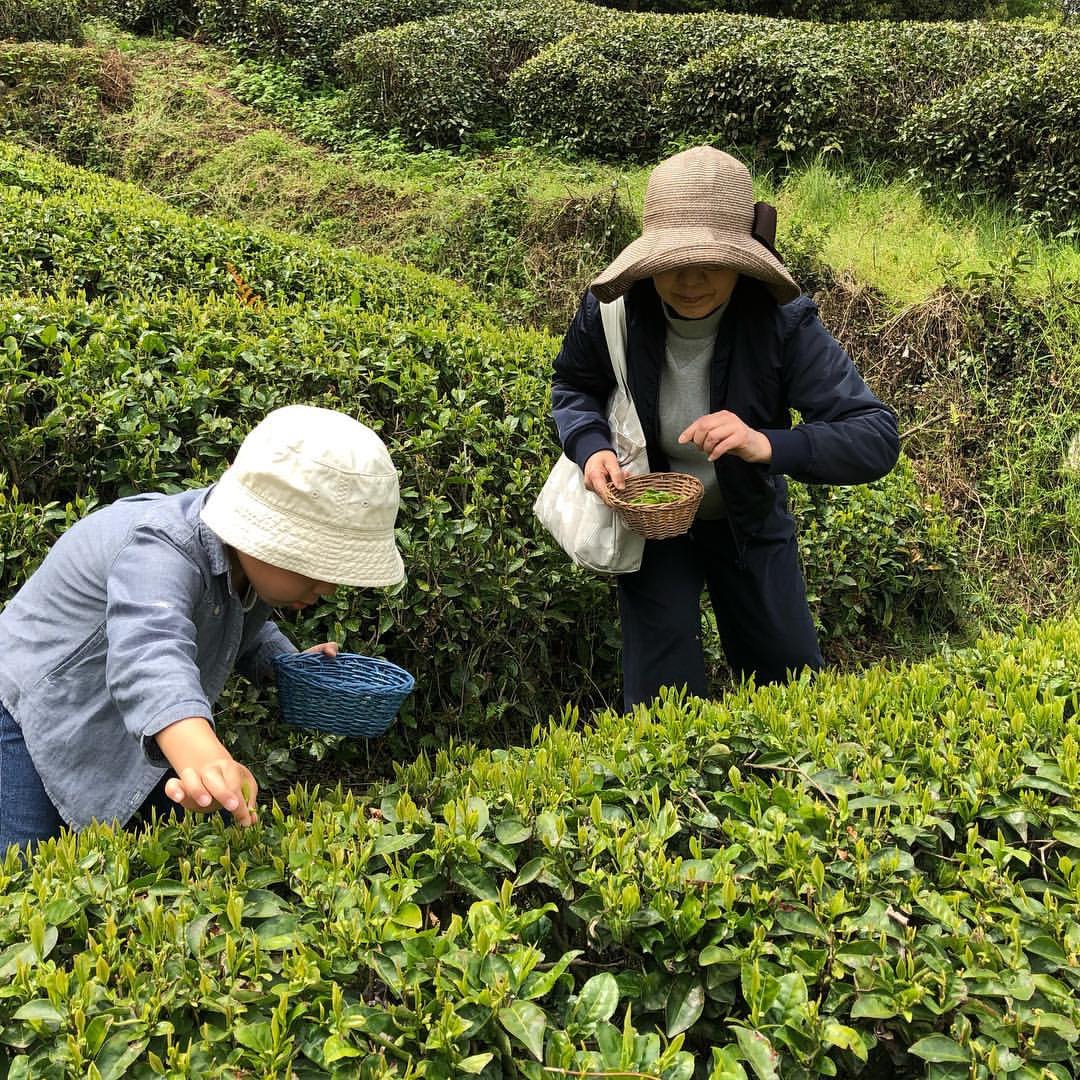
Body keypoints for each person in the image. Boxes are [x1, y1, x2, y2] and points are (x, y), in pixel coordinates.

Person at [550, 146, 900, 711]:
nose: (690, 281)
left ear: (743, 261)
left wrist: (766, 444)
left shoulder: (783, 323)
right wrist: (590, 449)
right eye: (673, 263)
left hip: (750, 524)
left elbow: (875, 436)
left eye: (711, 263)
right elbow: (573, 387)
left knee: (791, 694)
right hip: (655, 526)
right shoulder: (614, 311)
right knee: (662, 705)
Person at [0, 404, 405, 854]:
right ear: (263, 533)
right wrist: (206, 756)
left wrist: (284, 665)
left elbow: (235, 626)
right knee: (25, 863)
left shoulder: (246, 567)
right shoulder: (160, 548)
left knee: (152, 847)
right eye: (315, 564)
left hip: (121, 718)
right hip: (31, 714)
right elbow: (150, 652)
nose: (327, 586)